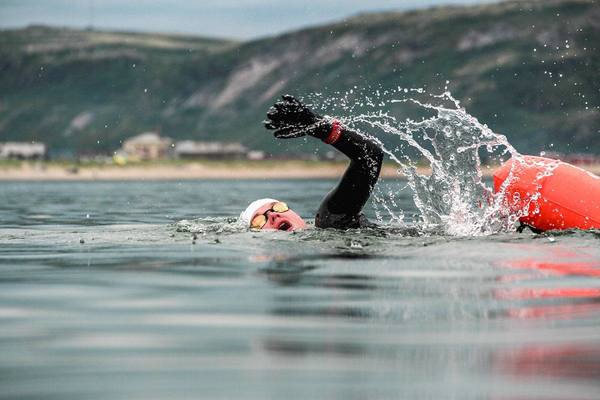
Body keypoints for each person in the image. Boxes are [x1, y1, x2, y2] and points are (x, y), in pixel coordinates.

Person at [239, 95, 383, 231]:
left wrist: (319, 126)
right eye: (258, 221)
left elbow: (369, 157)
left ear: (296, 214)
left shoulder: (331, 222)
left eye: (278, 207)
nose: (273, 215)